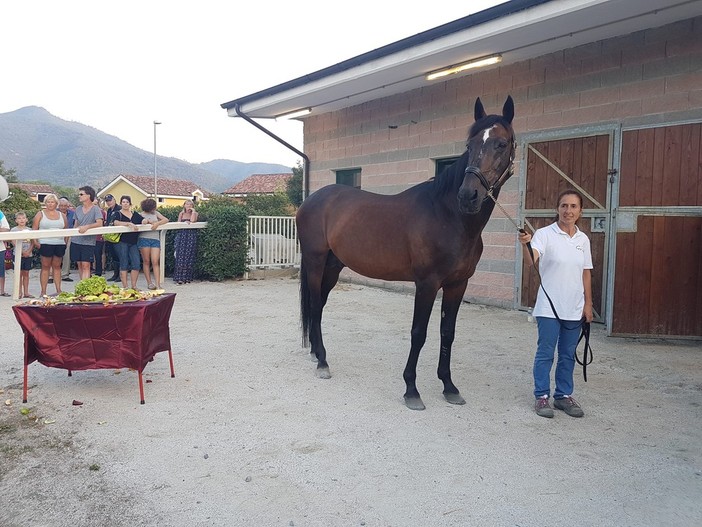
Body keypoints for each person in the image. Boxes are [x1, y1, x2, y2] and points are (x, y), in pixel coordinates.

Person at [519, 189, 593, 419]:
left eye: (573, 206)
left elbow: (586, 273)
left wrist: (588, 304)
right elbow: (532, 262)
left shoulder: (583, 239)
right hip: (549, 307)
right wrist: (526, 244)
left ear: (580, 211)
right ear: (557, 209)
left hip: (574, 307)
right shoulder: (544, 234)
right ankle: (542, 396)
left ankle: (563, 396)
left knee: (568, 354)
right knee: (545, 353)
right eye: (564, 206)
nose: (568, 211)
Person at [32, 193, 69, 296]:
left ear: (56, 203)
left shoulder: (62, 215)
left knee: (57, 267)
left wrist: (65, 242)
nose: (50, 204)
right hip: (45, 243)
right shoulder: (40, 214)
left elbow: (66, 230)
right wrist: (36, 242)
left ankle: (58, 290)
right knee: (45, 266)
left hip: (59, 243)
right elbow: (34, 228)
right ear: (45, 203)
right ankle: (43, 291)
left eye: (52, 202)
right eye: (48, 202)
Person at [69, 186, 104, 280]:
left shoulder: (95, 209)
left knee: (86, 265)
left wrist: (87, 227)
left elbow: (99, 223)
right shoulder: (78, 209)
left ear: (88, 195)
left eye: (81, 194)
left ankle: (86, 288)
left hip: (88, 241)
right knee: (79, 264)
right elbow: (75, 225)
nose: (79, 196)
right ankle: (82, 286)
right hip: (76, 241)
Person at [111, 195, 144, 289]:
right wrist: (128, 224)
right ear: (121, 203)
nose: (125, 204)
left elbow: (142, 220)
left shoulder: (135, 214)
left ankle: (134, 286)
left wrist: (146, 221)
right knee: (124, 263)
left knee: (136, 263)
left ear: (130, 204)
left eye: (127, 202)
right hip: (122, 242)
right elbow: (115, 222)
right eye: (123, 202)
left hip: (133, 242)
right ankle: (125, 287)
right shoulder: (117, 213)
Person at [138, 198, 169, 290]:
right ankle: (149, 283)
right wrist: (148, 221)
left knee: (155, 261)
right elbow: (142, 222)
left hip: (155, 239)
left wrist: (157, 223)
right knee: (146, 261)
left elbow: (166, 219)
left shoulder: (156, 213)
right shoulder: (141, 215)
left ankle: (158, 284)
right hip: (144, 238)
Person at [10, 211, 37, 298]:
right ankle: (19, 292)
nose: (21, 220)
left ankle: (26, 292)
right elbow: (13, 242)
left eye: (23, 218)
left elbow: (33, 241)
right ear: (16, 220)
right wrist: (21, 252)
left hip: (28, 255)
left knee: (26, 273)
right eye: (19, 218)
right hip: (17, 255)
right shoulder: (14, 230)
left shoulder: (29, 230)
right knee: (19, 273)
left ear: (26, 219)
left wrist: (29, 251)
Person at [173, 199, 199, 285]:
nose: (188, 206)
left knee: (189, 256)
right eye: (187, 204)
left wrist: (193, 212)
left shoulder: (194, 213)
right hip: (182, 235)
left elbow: (192, 221)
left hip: (191, 235)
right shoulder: (181, 213)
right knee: (180, 256)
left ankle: (187, 277)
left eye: (190, 204)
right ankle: (179, 277)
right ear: (184, 205)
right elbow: (178, 223)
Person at [104, 194, 121, 281]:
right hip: (110, 236)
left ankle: (120, 276)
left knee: (119, 256)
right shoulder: (109, 210)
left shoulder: (120, 209)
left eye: (110, 200)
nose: (108, 202)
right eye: (107, 201)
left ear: (114, 199)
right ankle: (115, 274)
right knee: (113, 256)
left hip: (118, 236)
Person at [58, 197, 75, 282]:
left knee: (66, 254)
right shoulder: (54, 213)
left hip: (69, 235)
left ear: (67, 206)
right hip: (56, 235)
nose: (63, 207)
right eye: (61, 205)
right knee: (53, 256)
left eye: (65, 206)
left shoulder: (72, 213)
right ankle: (51, 276)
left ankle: (65, 275)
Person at [92, 199, 107, 276]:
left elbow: (103, 223)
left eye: (95, 204)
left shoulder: (101, 212)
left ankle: (99, 271)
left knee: (98, 254)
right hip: (90, 237)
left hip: (99, 237)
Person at [0, 207, 10, 297]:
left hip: (0, 247)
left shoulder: (0, 213)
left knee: (1, 270)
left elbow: (6, 229)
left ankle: (1, 291)